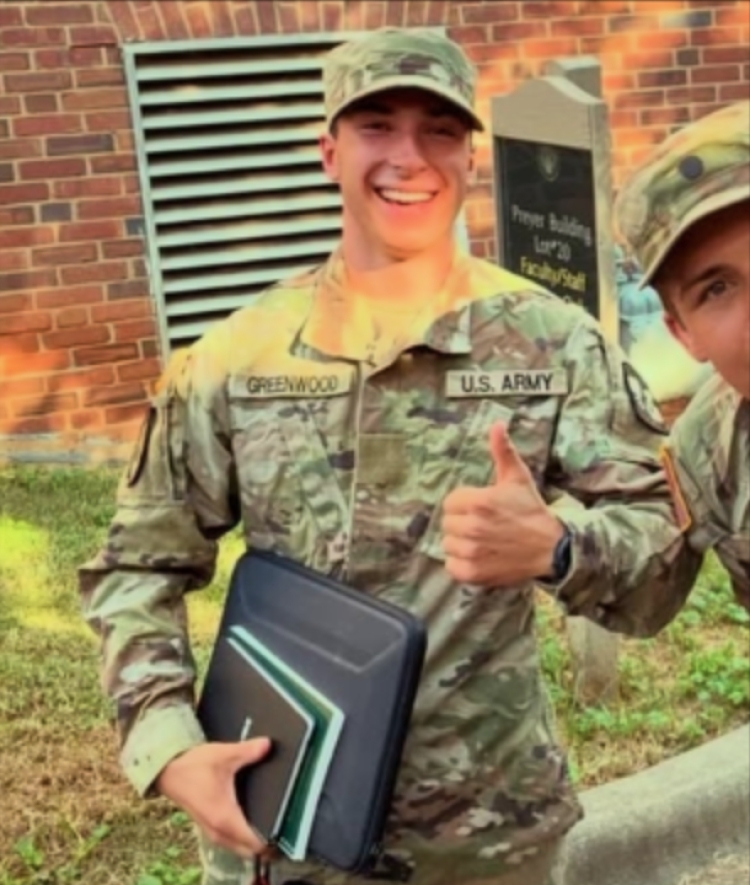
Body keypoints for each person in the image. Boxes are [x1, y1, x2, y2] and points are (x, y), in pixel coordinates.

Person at [78, 27, 701, 885]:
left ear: (470, 159)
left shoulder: (553, 344)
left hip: (488, 837)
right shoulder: (236, 358)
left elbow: (661, 561)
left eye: (440, 130)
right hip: (284, 824)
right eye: (376, 124)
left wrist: (559, 549)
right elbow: (134, 567)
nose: (409, 156)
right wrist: (168, 743)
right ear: (329, 151)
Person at [613, 99, 749, 612]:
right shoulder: (712, 442)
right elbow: (649, 585)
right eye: (716, 289)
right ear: (682, 332)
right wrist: (552, 549)